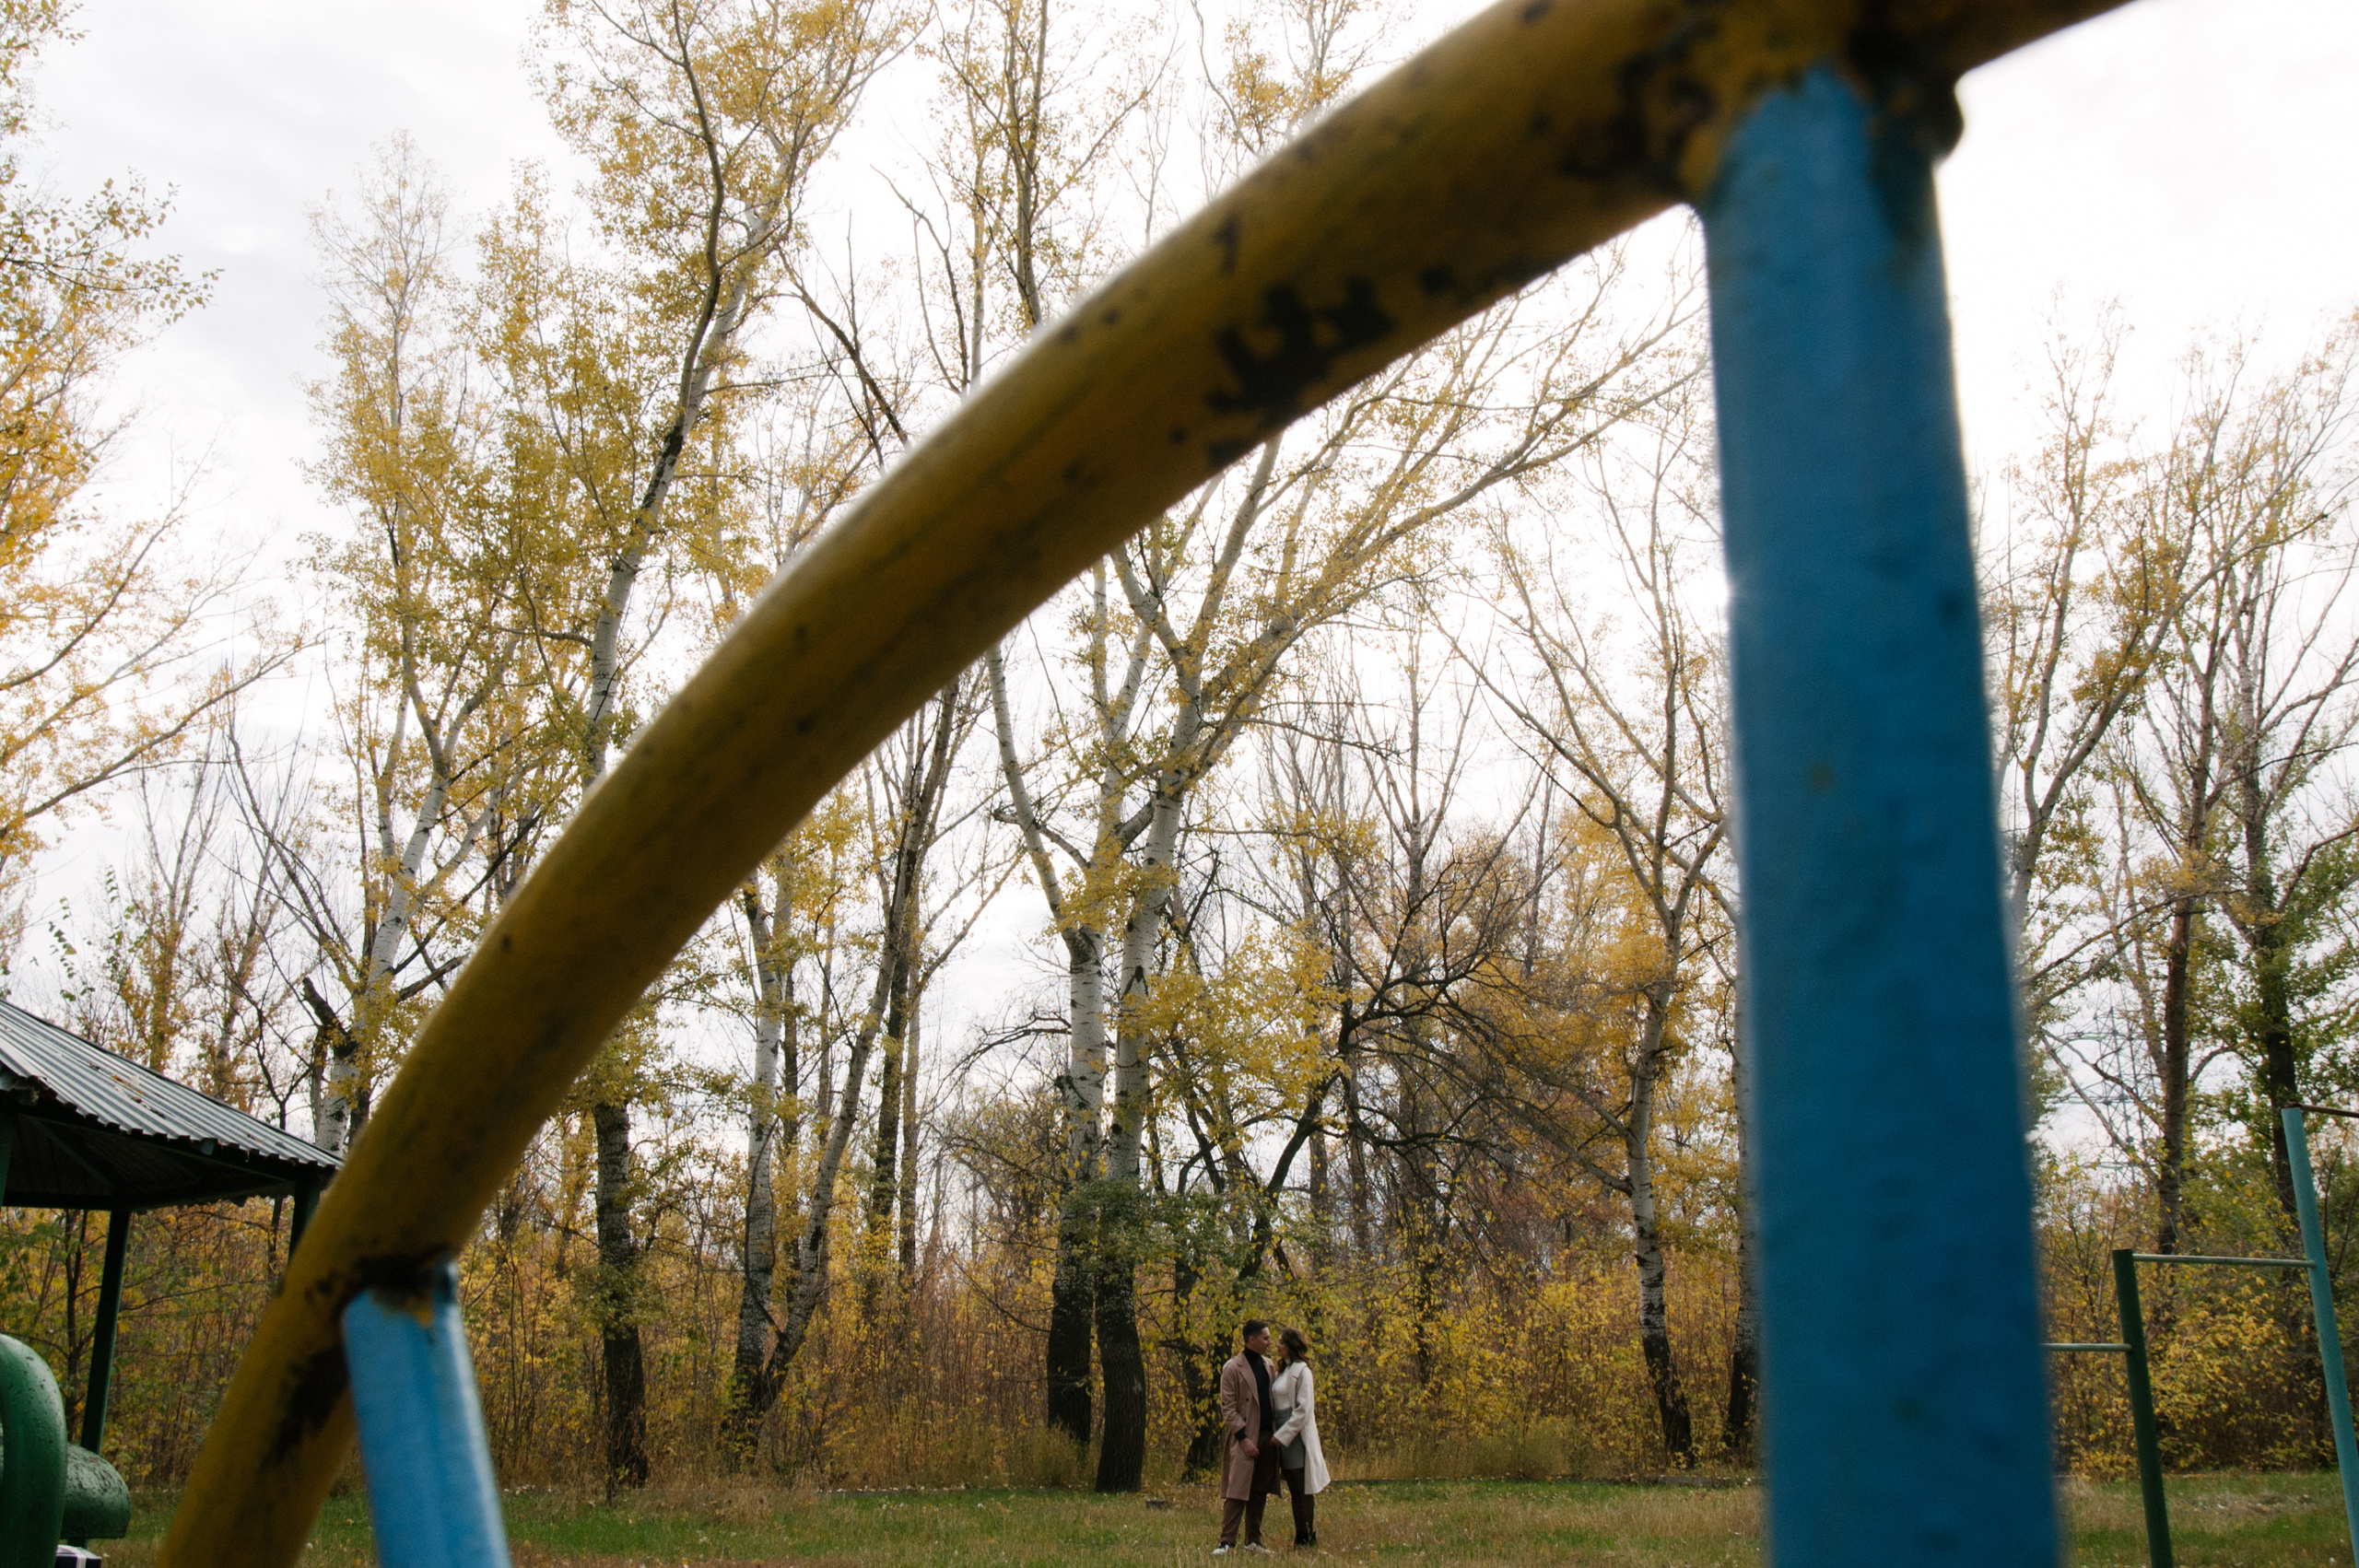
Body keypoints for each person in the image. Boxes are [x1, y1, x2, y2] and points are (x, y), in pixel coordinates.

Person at [1215, 1319, 1283, 1554]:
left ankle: (1253, 1541)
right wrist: (1244, 1439)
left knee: (1259, 1491)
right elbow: (1228, 1408)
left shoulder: (1269, 1366)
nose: (1269, 1342)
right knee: (1237, 1490)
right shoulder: (1233, 1368)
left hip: (1267, 1436)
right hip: (1245, 1438)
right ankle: (1226, 1542)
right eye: (1265, 1338)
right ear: (1251, 1339)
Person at [1270, 1327, 1329, 1547]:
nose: (1277, 1346)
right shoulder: (1282, 1371)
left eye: (1281, 1342)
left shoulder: (1303, 1372)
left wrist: (1283, 1435)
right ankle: (1301, 1534)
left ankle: (1306, 1535)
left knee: (1301, 1486)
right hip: (1282, 1430)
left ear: (1291, 1345)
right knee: (1294, 1487)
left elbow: (1303, 1410)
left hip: (1294, 1435)